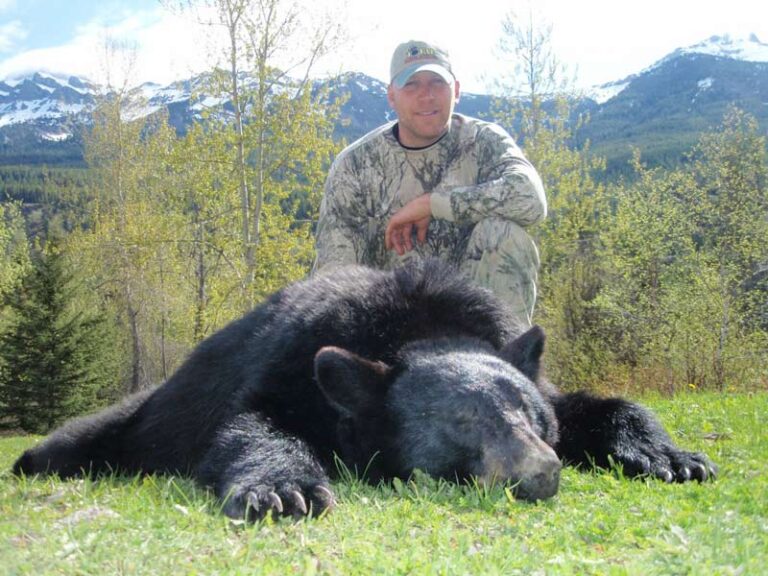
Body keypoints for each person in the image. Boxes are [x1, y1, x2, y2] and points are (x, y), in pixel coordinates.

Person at [312, 40, 547, 326]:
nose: (427, 95)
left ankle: (507, 361)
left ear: (456, 90)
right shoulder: (356, 165)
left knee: (505, 235)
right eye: (411, 85)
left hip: (473, 322)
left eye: (437, 82)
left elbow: (531, 199)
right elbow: (333, 274)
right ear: (391, 96)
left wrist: (433, 204)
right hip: (389, 323)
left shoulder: (485, 142)